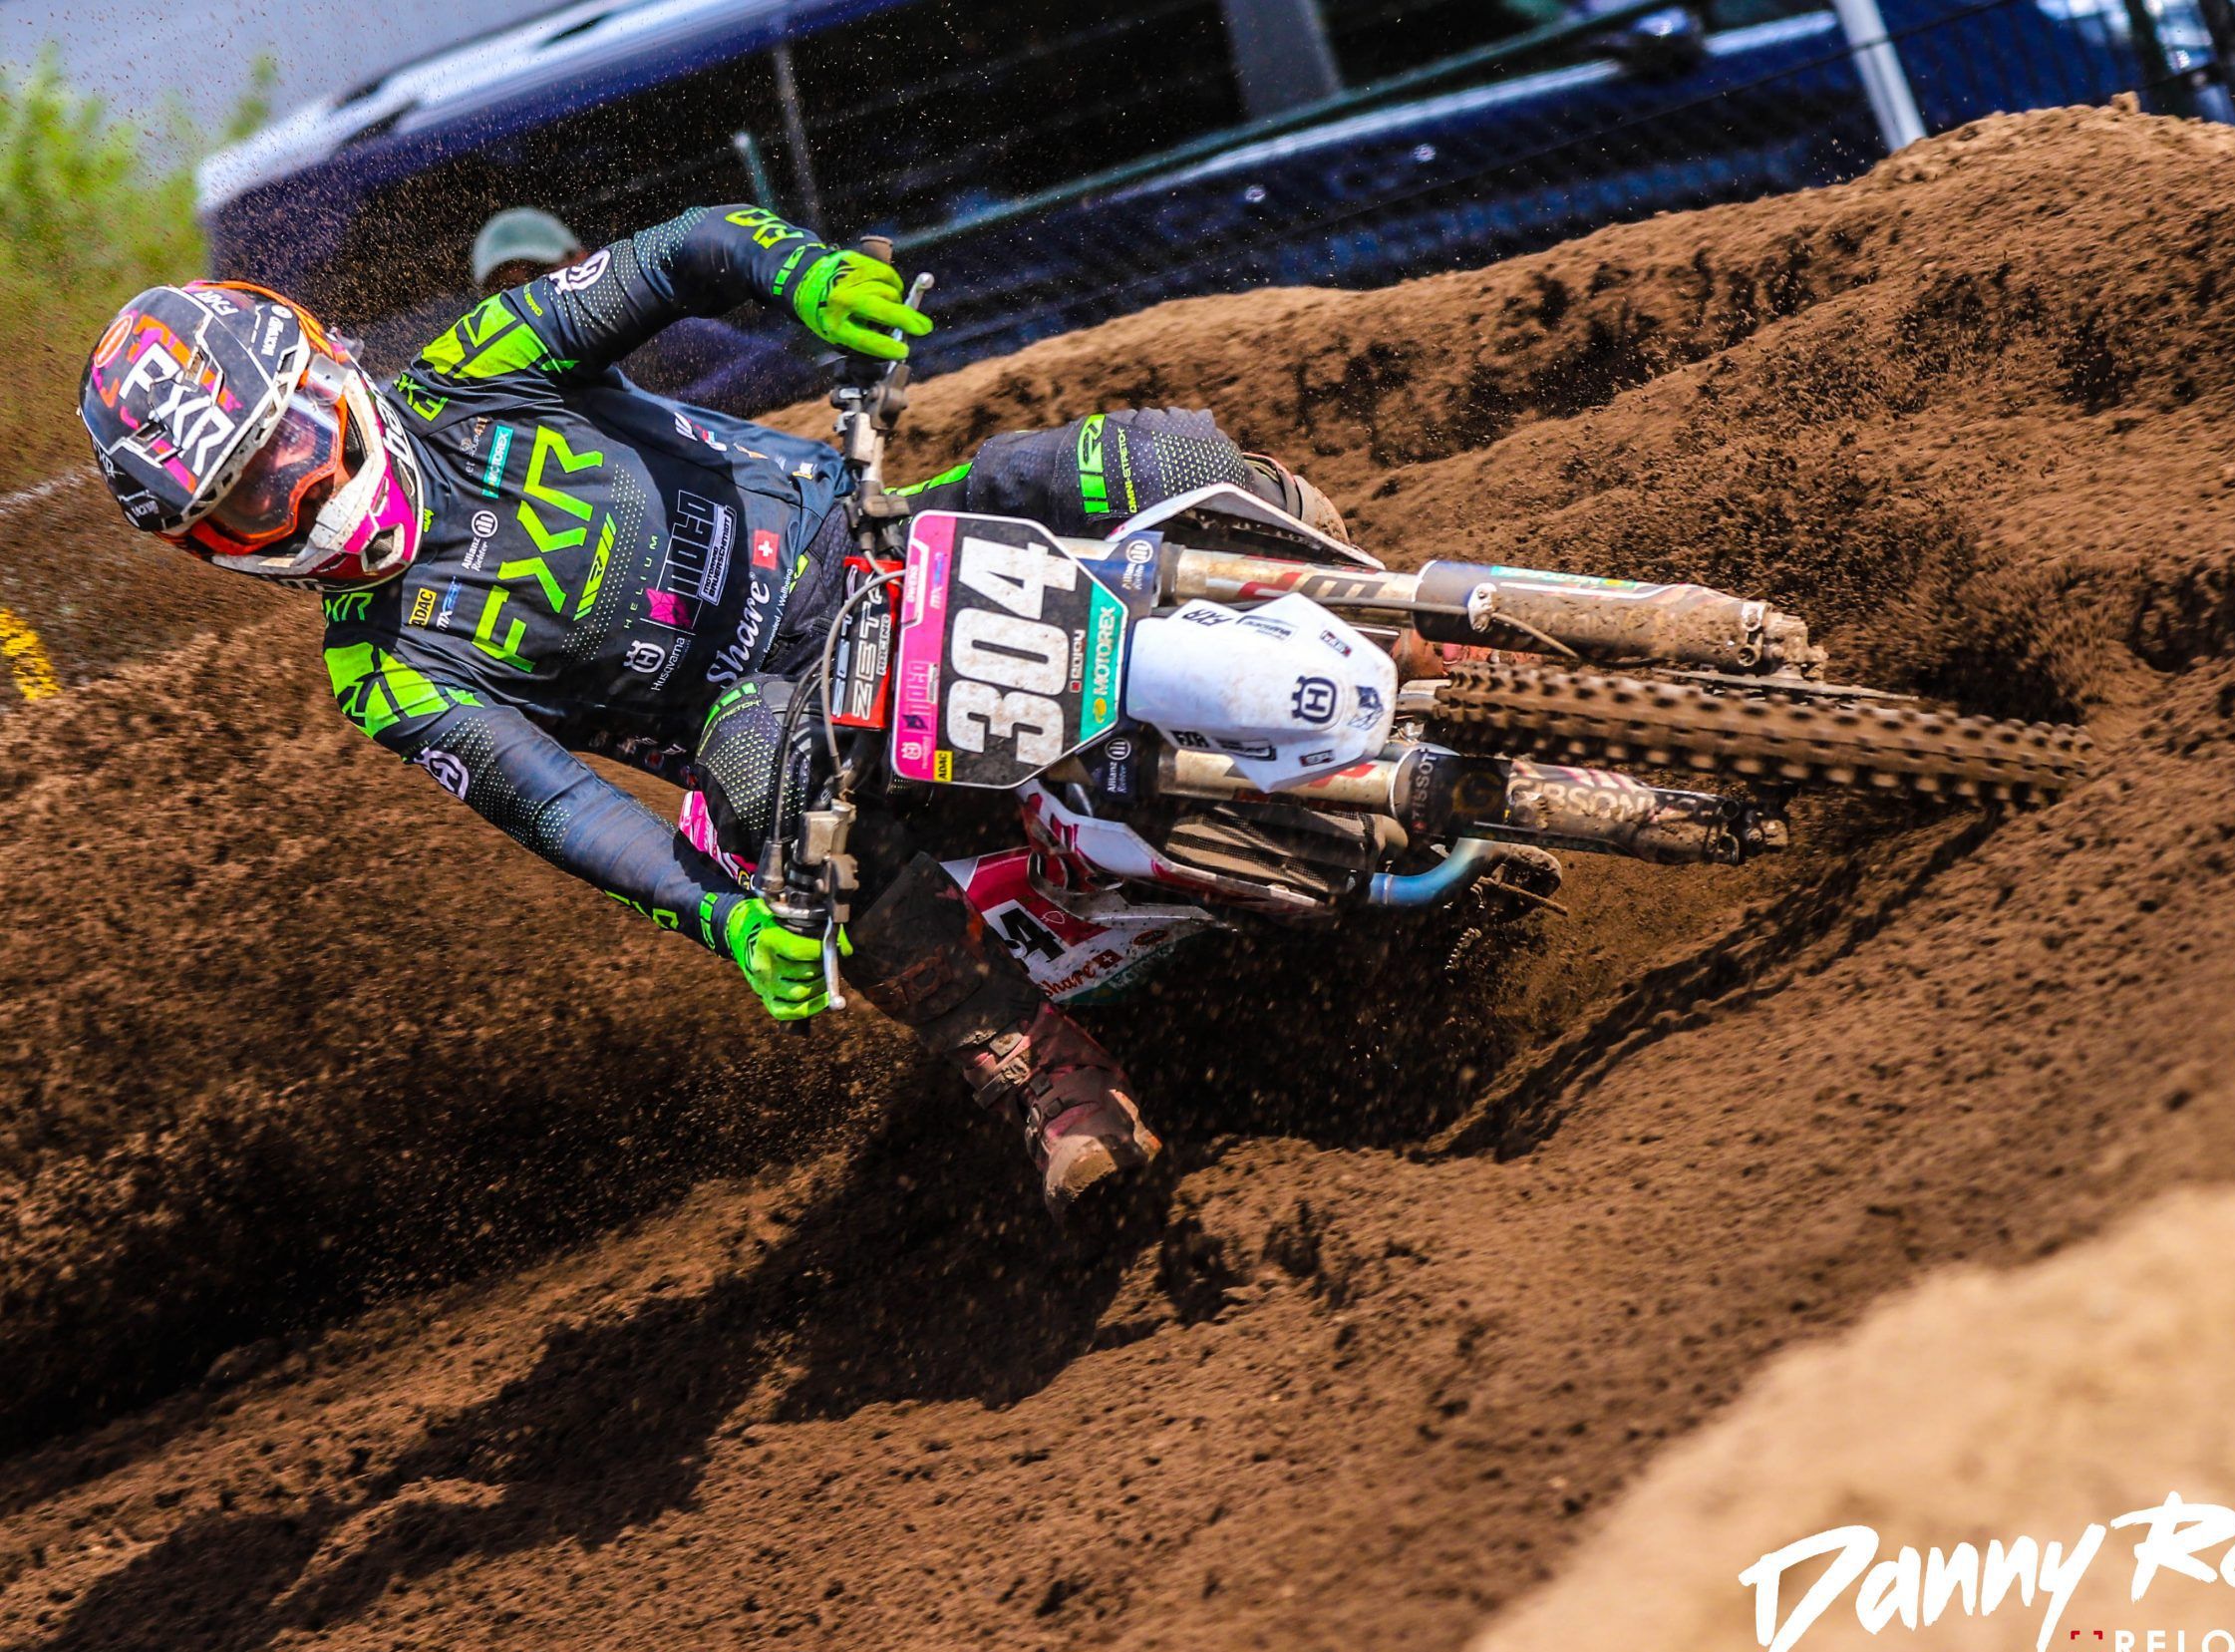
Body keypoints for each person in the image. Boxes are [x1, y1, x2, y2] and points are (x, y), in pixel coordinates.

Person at [77, 202, 1340, 1221]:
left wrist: (802, 275)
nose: (298, 498)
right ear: (209, 546)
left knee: (1136, 458)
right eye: (248, 503)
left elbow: (682, 251)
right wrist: (724, 924)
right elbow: (560, 809)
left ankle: (1359, 592)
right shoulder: (385, 669)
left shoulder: (476, 367)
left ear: (326, 368)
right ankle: (1034, 1067)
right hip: (780, 717)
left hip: (877, 535)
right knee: (756, 793)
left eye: (290, 446)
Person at [472, 206, 826, 417]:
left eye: (537, 273)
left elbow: (774, 365)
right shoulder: (514, 388)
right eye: (506, 292)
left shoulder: (650, 329)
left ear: (581, 260)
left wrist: (658, 414)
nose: (528, 293)